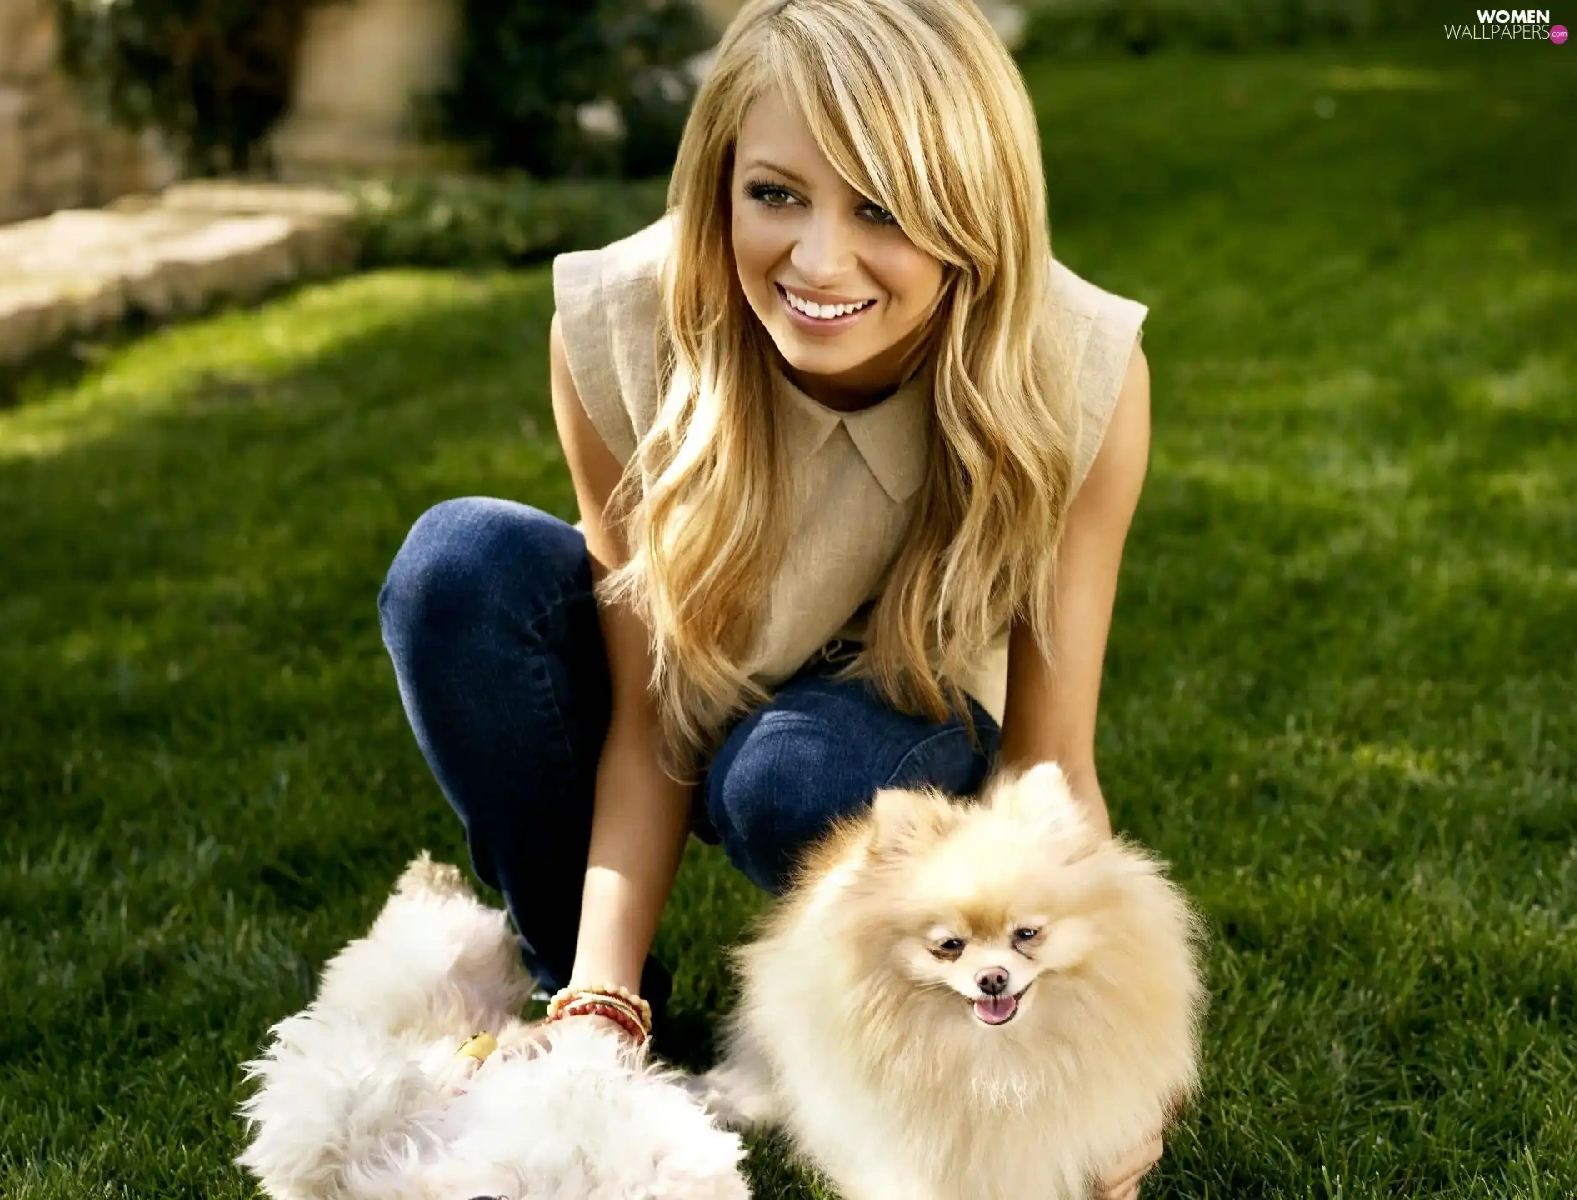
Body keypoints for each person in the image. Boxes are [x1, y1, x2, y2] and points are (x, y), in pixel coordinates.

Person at [379, 0, 1159, 1194]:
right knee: (457, 569)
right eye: (776, 194)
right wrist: (600, 1003)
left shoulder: (1077, 368)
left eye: (882, 208)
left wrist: (1109, 1073)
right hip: (701, 679)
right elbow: (647, 715)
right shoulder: (618, 321)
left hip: (887, 728)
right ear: (720, 180)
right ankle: (586, 993)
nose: (817, 262)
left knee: (793, 776)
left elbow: (1049, 767)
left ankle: (893, 1019)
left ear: (972, 208)